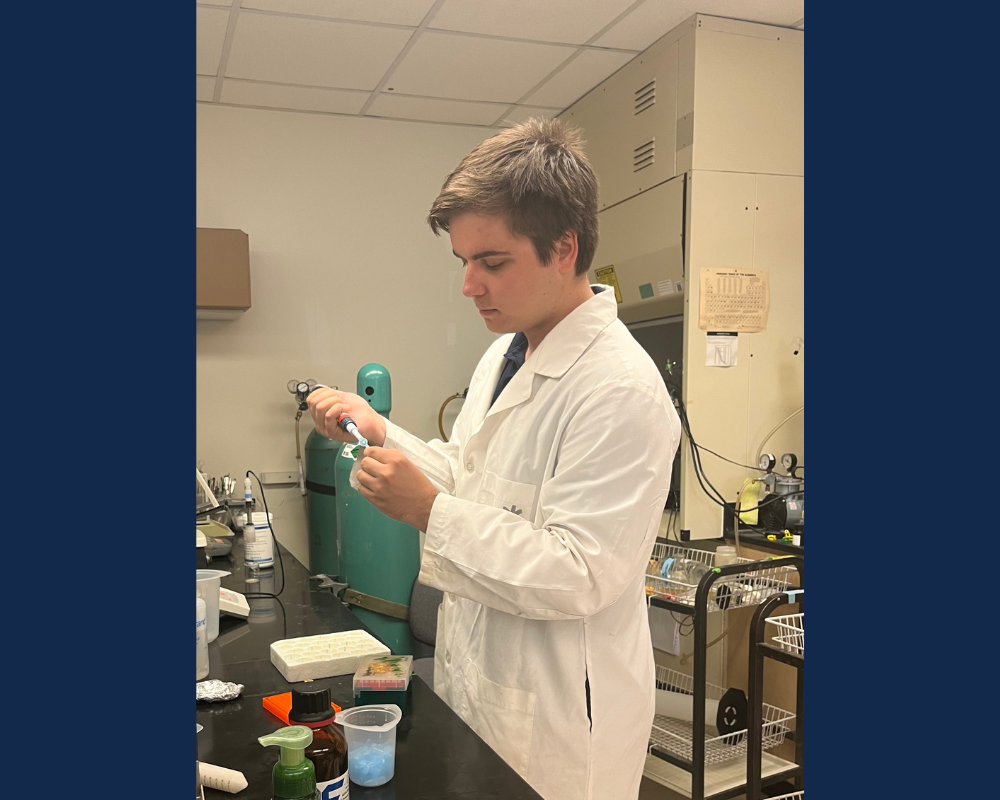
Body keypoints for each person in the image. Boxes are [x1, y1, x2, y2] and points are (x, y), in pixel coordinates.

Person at [307, 119, 681, 800]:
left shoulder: (620, 389)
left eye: (493, 262)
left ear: (563, 248)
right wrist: (381, 431)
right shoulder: (507, 352)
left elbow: (580, 573)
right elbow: (473, 477)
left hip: (563, 717)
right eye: (463, 262)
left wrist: (426, 512)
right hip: (486, 684)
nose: (469, 285)